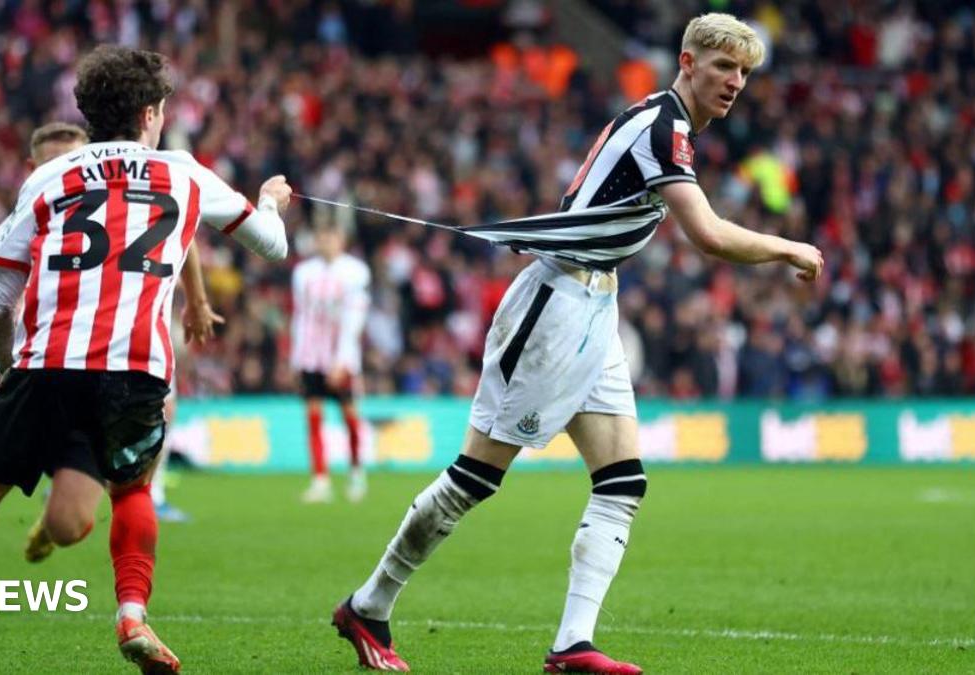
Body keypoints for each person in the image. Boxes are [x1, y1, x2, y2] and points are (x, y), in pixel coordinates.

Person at [331, 14, 823, 674]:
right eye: (723, 67)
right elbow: (705, 233)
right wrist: (785, 245)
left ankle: (572, 645)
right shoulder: (661, 127)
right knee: (475, 477)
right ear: (687, 60)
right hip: (554, 305)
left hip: (596, 304)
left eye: (743, 72)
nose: (735, 82)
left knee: (622, 479)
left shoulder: (666, 124)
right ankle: (369, 603)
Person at [0, 45, 291, 675]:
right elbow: (273, 248)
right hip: (138, 371)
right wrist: (270, 201)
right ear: (151, 112)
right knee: (133, 494)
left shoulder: (47, 178)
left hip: (46, 363)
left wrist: (5, 368)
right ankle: (132, 617)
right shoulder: (184, 172)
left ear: (89, 113)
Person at [16, 122, 216, 567]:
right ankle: (65, 493)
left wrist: (198, 301)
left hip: (131, 330)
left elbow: (182, 232)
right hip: (59, 338)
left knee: (161, 408)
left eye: (71, 154)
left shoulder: (122, 184)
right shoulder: (38, 202)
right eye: (52, 159)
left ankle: (143, 495)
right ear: (32, 166)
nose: (62, 166)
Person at [291, 221, 371, 503]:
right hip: (311, 356)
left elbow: (354, 320)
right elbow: (300, 316)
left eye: (331, 236)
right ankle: (320, 479)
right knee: (313, 417)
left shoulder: (355, 272)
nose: (326, 241)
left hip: (341, 357)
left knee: (350, 416)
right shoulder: (303, 273)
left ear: (341, 239)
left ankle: (357, 472)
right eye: (321, 236)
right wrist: (296, 356)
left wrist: (344, 360)